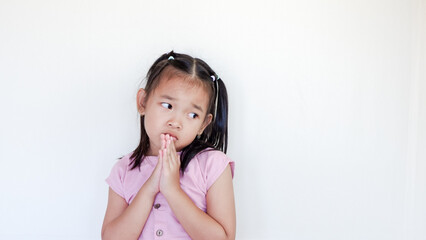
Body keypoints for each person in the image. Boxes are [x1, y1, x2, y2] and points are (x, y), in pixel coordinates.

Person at [101, 51, 236, 240]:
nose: (176, 122)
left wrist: (172, 190)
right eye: (167, 106)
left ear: (203, 125)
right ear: (143, 102)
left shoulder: (212, 165)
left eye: (192, 115)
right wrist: (150, 188)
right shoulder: (124, 169)